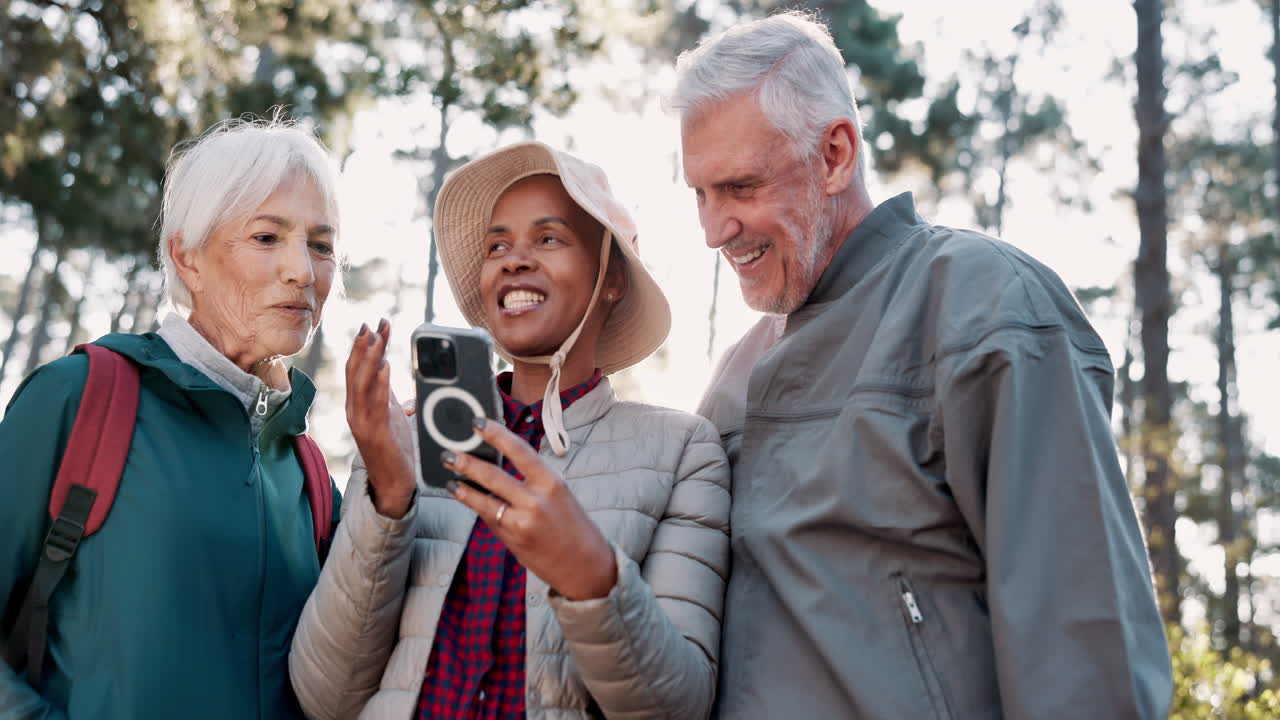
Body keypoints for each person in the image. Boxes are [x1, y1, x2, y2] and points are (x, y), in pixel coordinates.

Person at [670, 11, 1173, 719]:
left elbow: (1085, 645)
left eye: (741, 187)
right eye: (700, 192)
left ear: (836, 155)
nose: (713, 229)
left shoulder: (983, 305)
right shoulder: (731, 374)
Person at [289, 142, 731, 720]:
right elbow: (326, 696)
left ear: (612, 277)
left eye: (548, 238)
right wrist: (389, 501)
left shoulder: (683, 453)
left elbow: (679, 707)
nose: (513, 260)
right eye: (498, 245)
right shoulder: (401, 438)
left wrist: (590, 573)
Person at [0, 118, 344, 719]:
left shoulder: (310, 476)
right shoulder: (78, 398)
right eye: (267, 237)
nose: (303, 271)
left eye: (321, 244)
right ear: (188, 258)